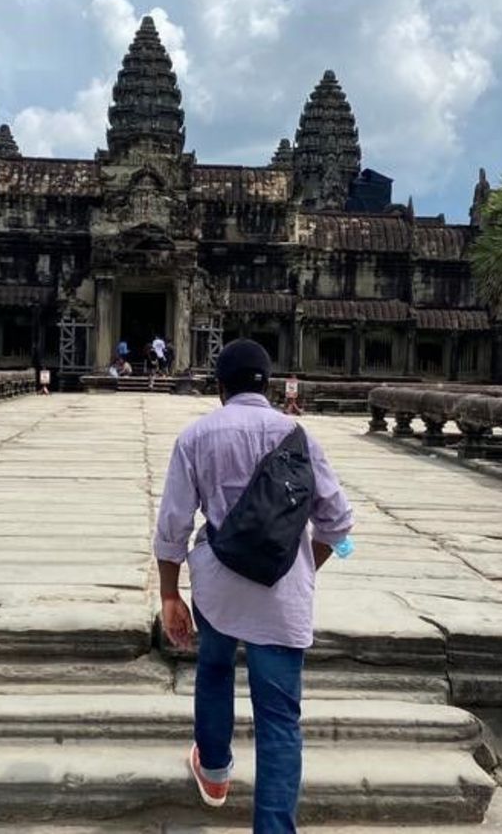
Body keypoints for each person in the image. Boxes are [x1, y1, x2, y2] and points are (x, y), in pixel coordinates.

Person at [152, 338, 354, 833]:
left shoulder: (196, 436)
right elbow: (338, 523)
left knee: (216, 670)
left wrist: (169, 594)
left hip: (218, 583)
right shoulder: (297, 435)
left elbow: (173, 526)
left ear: (219, 386)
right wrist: (300, 563)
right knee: (280, 720)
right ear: (269, 384)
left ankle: (216, 772)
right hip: (282, 596)